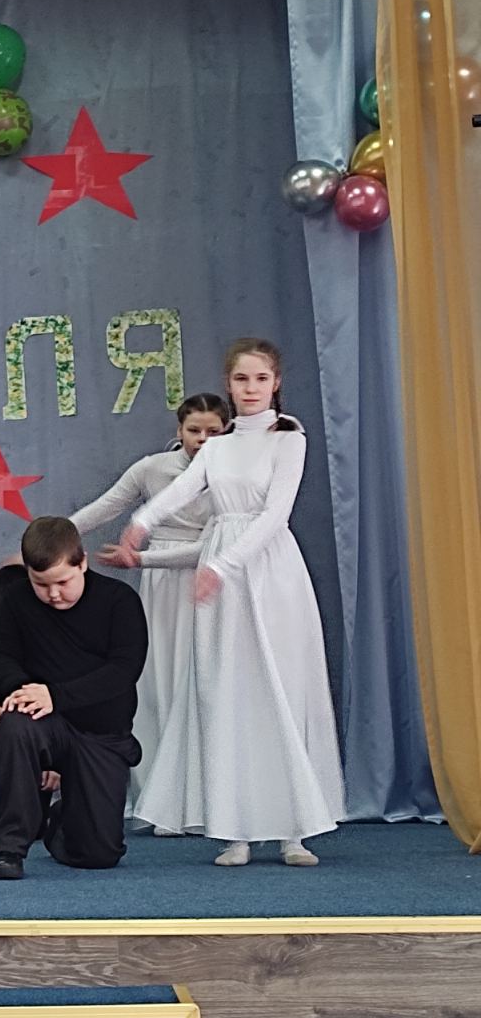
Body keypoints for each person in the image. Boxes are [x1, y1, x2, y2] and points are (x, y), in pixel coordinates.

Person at [122, 338, 345, 867]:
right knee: (225, 694)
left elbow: (275, 515)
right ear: (229, 384)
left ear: (275, 383)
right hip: (221, 570)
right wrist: (141, 522)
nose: (250, 388)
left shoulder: (288, 438)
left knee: (281, 690)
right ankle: (235, 829)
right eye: (242, 379)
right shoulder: (218, 448)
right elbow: (182, 491)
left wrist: (222, 566)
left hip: (267, 571)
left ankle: (293, 831)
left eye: (260, 379)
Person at [70, 393, 230, 834]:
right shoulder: (151, 469)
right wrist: (54, 537)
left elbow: (208, 549)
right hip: (160, 591)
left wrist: (141, 560)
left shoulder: (232, 475)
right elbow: (105, 507)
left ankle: (208, 802)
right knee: (159, 686)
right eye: (194, 430)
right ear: (179, 431)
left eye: (213, 432)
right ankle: (164, 804)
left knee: (204, 687)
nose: (202, 440)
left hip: (207, 582)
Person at [0, 517, 148, 880]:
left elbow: (123, 671)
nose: (53, 594)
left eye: (62, 582)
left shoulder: (119, 601)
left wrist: (56, 695)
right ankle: (7, 850)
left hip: (101, 732)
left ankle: (60, 821)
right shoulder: (16, 600)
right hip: (43, 721)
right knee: (14, 726)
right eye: (41, 584)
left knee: (100, 855)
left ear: (81, 562)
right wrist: (24, 692)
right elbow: (0, 657)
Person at [0, 562, 56, 842]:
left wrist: (55, 763)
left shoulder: (47, 616)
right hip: (0, 700)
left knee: (36, 823)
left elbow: (51, 673)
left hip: (39, 702)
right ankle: (3, 811)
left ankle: (24, 812)